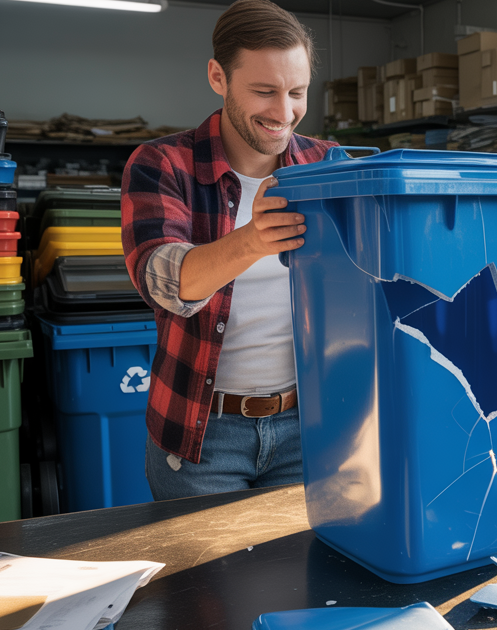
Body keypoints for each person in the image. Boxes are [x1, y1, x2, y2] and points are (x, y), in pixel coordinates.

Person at [121, 0, 336, 500]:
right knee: (209, 580)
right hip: (202, 437)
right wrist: (252, 241)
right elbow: (164, 282)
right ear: (218, 77)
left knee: (303, 574)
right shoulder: (162, 164)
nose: (284, 114)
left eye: (297, 93)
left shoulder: (325, 165)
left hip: (310, 429)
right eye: (264, 91)